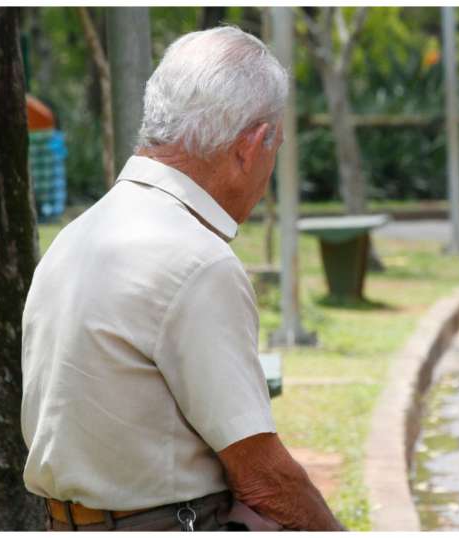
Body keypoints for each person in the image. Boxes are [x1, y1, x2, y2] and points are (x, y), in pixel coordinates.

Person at [21, 27, 345, 531]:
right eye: (274, 147)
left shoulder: (76, 236)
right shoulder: (198, 261)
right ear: (251, 146)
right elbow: (263, 479)